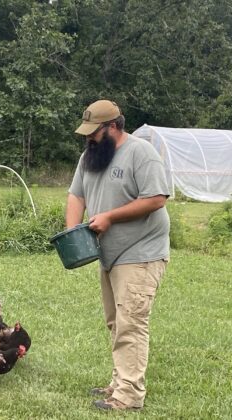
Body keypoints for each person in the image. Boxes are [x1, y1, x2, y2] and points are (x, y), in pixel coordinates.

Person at [65, 99, 170, 411]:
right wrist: (73, 232)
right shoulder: (91, 156)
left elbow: (156, 199)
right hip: (108, 254)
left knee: (131, 323)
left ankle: (129, 396)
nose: (89, 139)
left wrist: (109, 217)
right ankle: (119, 382)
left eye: (94, 132)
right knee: (116, 321)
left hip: (140, 251)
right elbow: (76, 194)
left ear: (112, 126)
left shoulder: (141, 153)